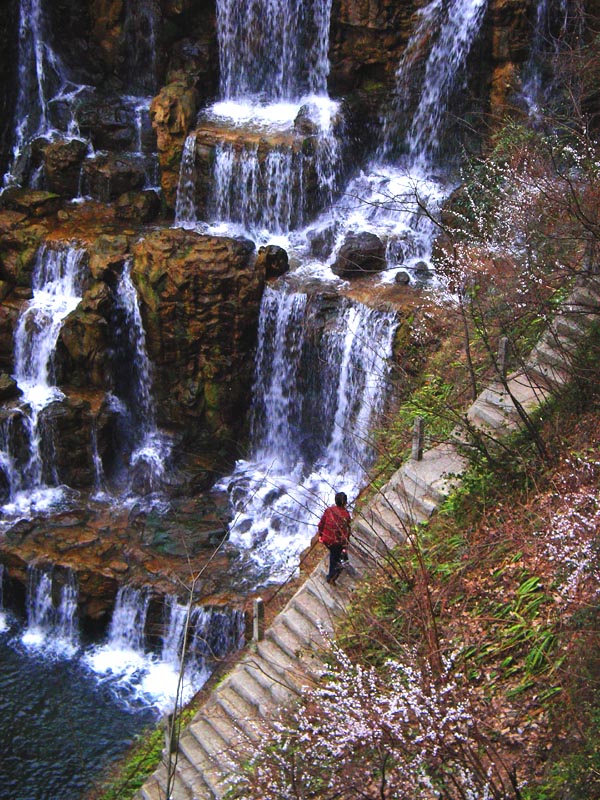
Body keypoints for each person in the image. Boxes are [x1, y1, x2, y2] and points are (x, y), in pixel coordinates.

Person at [318, 491, 351, 585]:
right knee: (335, 559)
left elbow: (321, 524)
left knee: (334, 554)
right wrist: (345, 545)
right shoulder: (345, 515)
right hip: (336, 541)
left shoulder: (329, 510)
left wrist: (321, 535)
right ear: (345, 502)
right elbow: (345, 532)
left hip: (326, 538)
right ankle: (331, 577)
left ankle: (341, 563)